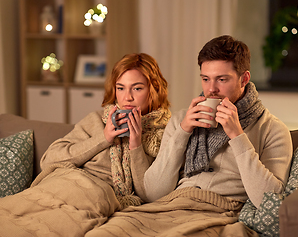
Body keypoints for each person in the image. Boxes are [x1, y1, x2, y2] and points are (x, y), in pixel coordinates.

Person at [84, 35, 293, 237]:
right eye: (205, 79)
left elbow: (270, 203)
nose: (211, 89)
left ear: (244, 79)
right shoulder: (181, 120)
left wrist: (237, 136)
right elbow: (152, 193)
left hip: (219, 213)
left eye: (222, 79)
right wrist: (182, 132)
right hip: (169, 207)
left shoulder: (272, 129)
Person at [0, 53, 171, 236]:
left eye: (137, 89)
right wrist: (103, 138)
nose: (127, 97)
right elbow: (49, 159)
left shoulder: (162, 134)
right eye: (121, 88)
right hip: (64, 184)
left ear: (153, 90)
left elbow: (148, 195)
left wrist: (136, 144)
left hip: (95, 197)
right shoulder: (96, 120)